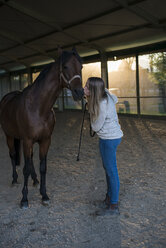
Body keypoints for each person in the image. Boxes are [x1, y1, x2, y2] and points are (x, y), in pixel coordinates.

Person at [84, 77, 123, 216]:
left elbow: (96, 126)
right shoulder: (106, 94)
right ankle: (109, 198)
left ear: (94, 90)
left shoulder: (101, 104)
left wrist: (90, 116)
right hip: (111, 137)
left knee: (111, 171)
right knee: (108, 169)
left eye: (87, 87)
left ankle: (114, 205)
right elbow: (115, 98)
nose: (84, 88)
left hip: (109, 139)